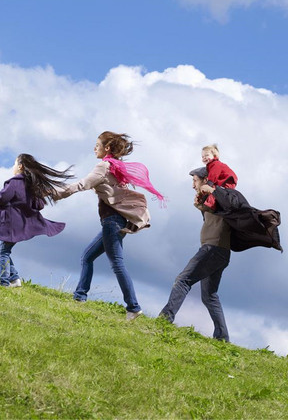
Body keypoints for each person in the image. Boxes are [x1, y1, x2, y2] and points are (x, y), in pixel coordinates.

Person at [54, 131, 165, 320]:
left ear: (106, 148)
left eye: (97, 144)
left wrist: (56, 193)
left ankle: (133, 307)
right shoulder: (115, 166)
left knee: (117, 263)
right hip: (115, 221)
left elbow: (83, 184)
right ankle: (80, 296)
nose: (94, 148)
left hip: (112, 222)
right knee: (87, 257)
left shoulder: (104, 166)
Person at [159, 166, 232, 341]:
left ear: (205, 180)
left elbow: (221, 207)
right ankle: (222, 338)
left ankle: (165, 319)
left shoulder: (219, 196)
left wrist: (208, 197)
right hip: (220, 252)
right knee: (209, 296)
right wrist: (201, 206)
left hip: (212, 250)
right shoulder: (211, 200)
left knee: (183, 280)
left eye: (195, 180)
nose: (193, 185)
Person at [0, 153, 73, 287]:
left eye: (14, 164)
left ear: (20, 166)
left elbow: (3, 197)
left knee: (3, 252)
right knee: (1, 250)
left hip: (11, 226)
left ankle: (5, 282)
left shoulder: (15, 182)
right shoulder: (31, 186)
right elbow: (39, 205)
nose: (13, 167)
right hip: (22, 225)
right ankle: (14, 278)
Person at [201, 144, 237, 211]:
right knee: (215, 189)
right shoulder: (210, 166)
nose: (204, 158)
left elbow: (214, 174)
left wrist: (209, 184)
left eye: (207, 155)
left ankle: (210, 205)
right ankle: (212, 204)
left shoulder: (216, 164)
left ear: (214, 156)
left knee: (215, 190)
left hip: (228, 179)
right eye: (202, 156)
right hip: (224, 180)